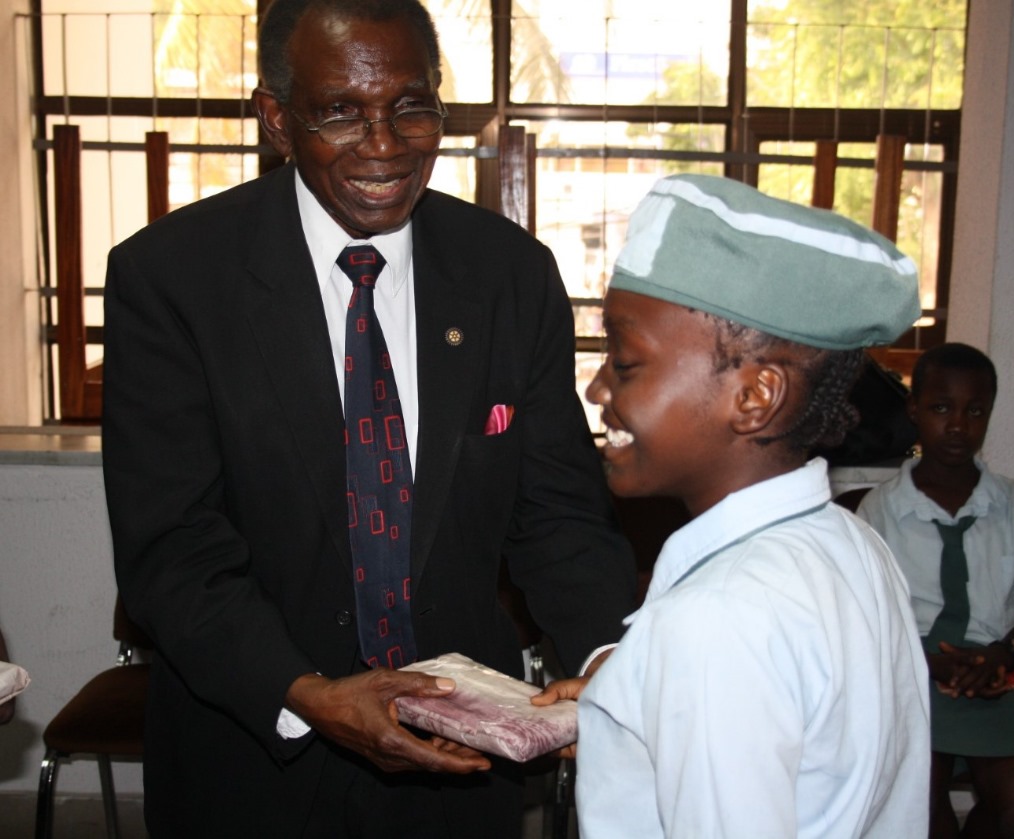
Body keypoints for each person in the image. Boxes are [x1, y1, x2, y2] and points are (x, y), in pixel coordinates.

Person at [101, 0, 636, 835]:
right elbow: (172, 547)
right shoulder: (173, 280)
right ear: (277, 119)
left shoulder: (510, 277)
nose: (384, 145)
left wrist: (612, 661)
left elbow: (559, 513)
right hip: (252, 754)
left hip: (461, 761)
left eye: (410, 107)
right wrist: (309, 696)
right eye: (341, 112)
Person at [533, 173, 932, 837]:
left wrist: (676, 664)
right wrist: (633, 686)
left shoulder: (716, 621)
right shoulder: (854, 544)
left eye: (626, 362)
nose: (599, 388)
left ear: (755, 396)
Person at [857, 343, 1014, 838]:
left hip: (997, 669)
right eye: (940, 408)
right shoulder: (879, 511)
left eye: (975, 411)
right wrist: (928, 664)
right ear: (913, 410)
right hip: (909, 670)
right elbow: (866, 623)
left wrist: (1000, 657)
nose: (958, 425)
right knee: (915, 796)